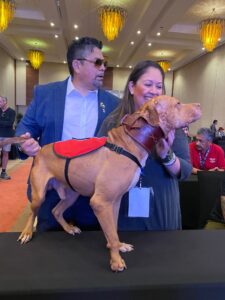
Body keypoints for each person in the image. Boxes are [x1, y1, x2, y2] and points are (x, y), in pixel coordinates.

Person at [16, 36, 119, 232]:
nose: (103, 67)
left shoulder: (113, 104)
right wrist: (24, 143)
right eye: (97, 62)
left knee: (90, 254)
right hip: (53, 188)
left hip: (93, 195)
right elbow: (24, 129)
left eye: (104, 62)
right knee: (49, 255)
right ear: (77, 65)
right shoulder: (45, 94)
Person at [98, 60, 192, 230]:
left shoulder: (172, 123)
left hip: (161, 211)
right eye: (148, 84)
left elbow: (185, 171)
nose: (154, 91)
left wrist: (166, 154)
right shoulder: (113, 123)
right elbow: (98, 164)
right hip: (121, 210)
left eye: (159, 86)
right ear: (132, 87)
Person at [0, 96, 16, 179]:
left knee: (5, 153)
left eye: (0, 102)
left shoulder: (12, 112)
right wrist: (4, 122)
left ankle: (3, 172)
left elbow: (10, 123)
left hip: (8, 136)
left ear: (5, 102)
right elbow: (6, 123)